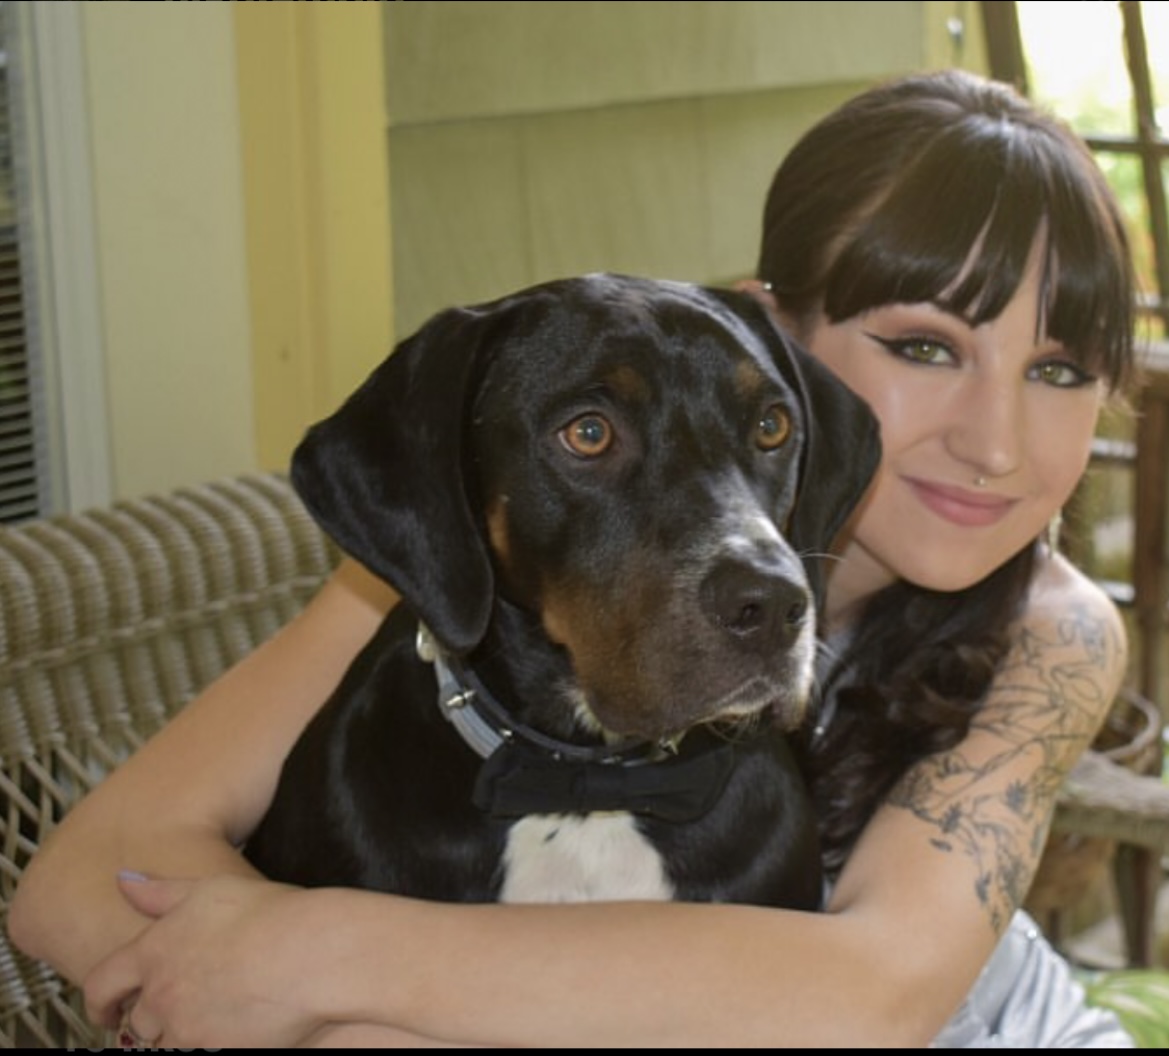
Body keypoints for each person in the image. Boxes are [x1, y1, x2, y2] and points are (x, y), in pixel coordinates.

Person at [10, 67, 1142, 1048]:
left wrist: (311, 955)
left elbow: (872, 998)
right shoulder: (456, 566)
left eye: (1057, 371)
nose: (994, 443)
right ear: (768, 329)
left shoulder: (1054, 632)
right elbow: (75, 886)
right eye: (923, 348)